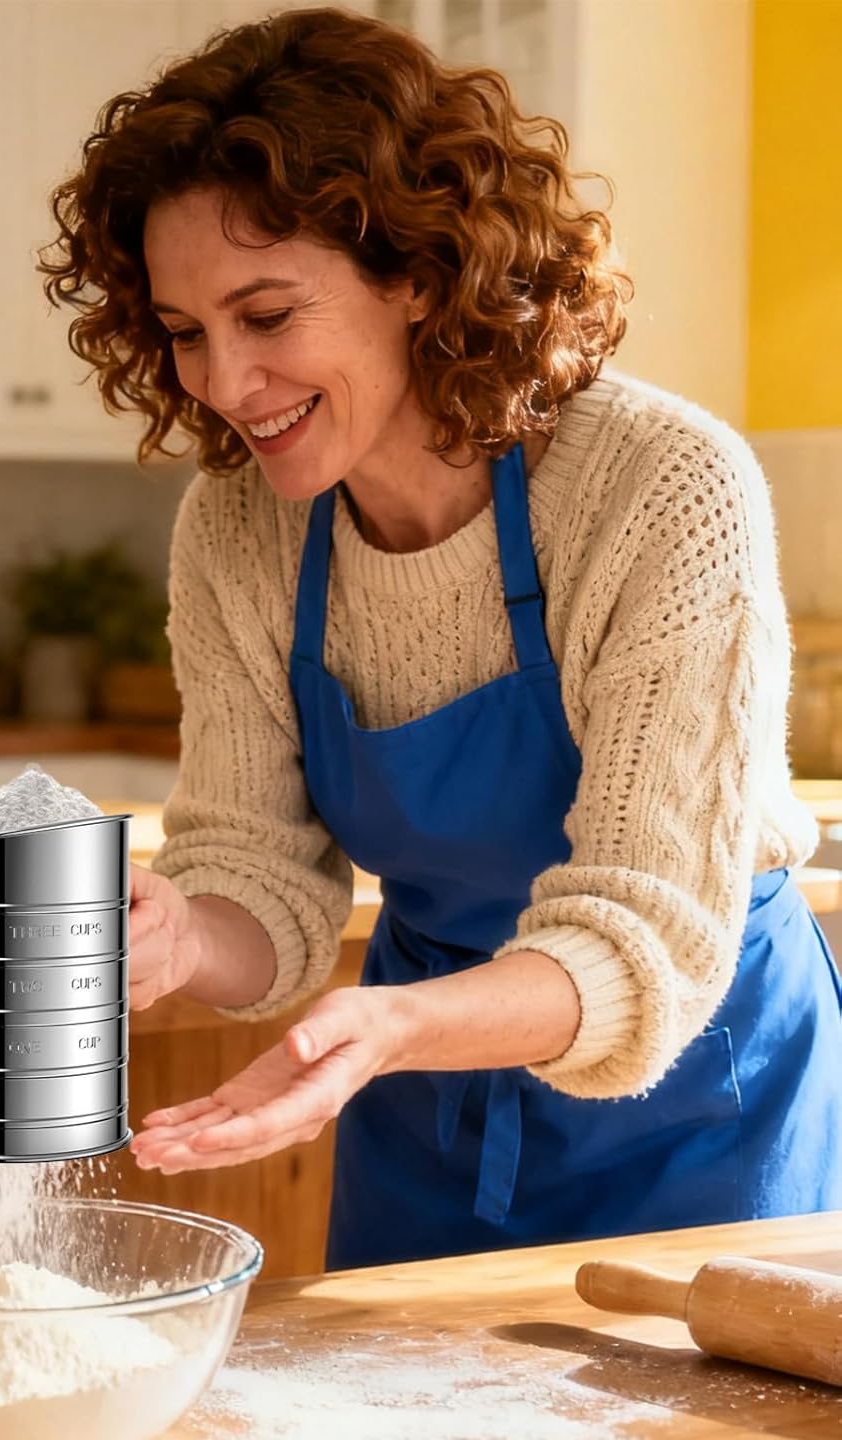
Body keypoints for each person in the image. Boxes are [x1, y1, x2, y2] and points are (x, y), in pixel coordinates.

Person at [42, 7, 842, 1269]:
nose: (222, 383)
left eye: (265, 315)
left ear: (416, 273)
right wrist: (183, 936)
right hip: (420, 1109)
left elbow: (646, 940)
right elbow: (258, 874)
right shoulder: (240, 531)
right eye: (186, 331)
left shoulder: (662, 488)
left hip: (700, 1098)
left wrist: (391, 1027)